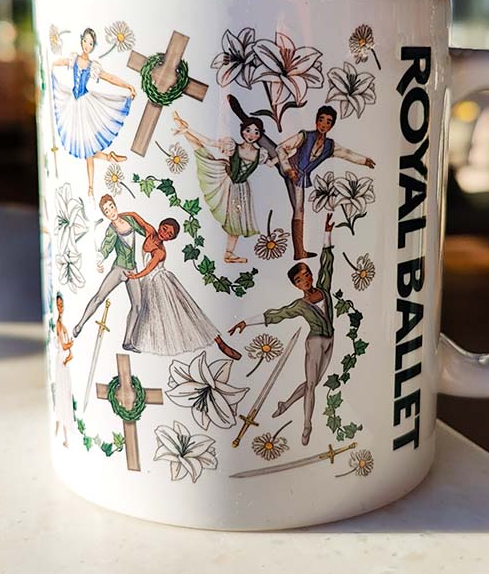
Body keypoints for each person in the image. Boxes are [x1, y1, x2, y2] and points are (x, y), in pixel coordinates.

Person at [229, 214, 336, 446]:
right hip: (315, 342)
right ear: (295, 285)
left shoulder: (324, 290)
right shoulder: (300, 305)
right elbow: (276, 315)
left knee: (313, 384)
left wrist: (327, 234)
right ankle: (307, 425)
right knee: (310, 385)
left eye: (307, 274)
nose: (305, 280)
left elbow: (328, 263)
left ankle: (286, 404)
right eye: (300, 279)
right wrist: (246, 322)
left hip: (331, 340)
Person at [123, 212, 242, 361]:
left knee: (183, 313)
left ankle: (219, 342)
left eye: (169, 234)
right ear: (160, 225)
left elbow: (150, 268)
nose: (164, 233)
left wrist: (136, 276)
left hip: (159, 281)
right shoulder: (151, 231)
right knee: (151, 314)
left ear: (171, 239)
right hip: (149, 280)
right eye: (164, 228)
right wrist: (122, 215)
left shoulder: (160, 251)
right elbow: (136, 217)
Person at [172, 109, 275, 263]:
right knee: (204, 154)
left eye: (256, 132)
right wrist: (189, 130)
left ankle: (228, 253)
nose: (251, 135)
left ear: (260, 134)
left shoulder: (260, 154)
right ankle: (185, 131)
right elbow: (210, 142)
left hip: (241, 190)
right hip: (227, 182)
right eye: (248, 130)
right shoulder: (233, 146)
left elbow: (271, 164)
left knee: (237, 222)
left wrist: (287, 154)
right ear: (242, 130)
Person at [275, 105, 375, 260]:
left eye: (328, 122)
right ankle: (299, 251)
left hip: (301, 177)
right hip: (290, 170)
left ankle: (299, 251)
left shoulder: (330, 146)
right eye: (321, 120)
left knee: (299, 209)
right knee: (298, 210)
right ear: (316, 121)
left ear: (332, 125)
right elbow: (281, 148)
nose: (323, 124)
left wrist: (364, 160)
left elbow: (346, 154)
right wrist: (288, 169)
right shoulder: (305, 136)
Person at [52, 27, 137, 196]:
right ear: (81, 41)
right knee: (83, 147)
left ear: (93, 46)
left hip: (85, 105)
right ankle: (107, 159)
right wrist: (51, 65)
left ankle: (91, 185)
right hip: (72, 104)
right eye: (85, 41)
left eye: (90, 43)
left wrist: (127, 85)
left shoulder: (92, 66)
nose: (87, 45)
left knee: (87, 149)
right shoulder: (74, 59)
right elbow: (59, 62)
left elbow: (109, 77)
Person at [73, 194, 144, 352]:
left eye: (111, 206)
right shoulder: (112, 230)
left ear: (115, 205)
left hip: (132, 269)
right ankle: (80, 324)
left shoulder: (129, 220)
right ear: (105, 215)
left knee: (137, 304)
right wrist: (99, 259)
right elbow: (107, 246)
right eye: (106, 211)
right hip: (119, 269)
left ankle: (127, 341)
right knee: (100, 296)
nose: (111, 211)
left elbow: (144, 230)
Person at [52, 293, 74, 448]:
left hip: (65, 361)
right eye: (58, 305)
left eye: (62, 305)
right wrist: (70, 347)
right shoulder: (58, 325)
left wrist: (70, 352)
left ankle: (62, 434)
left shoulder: (63, 324)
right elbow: (64, 345)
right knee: (62, 395)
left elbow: (67, 346)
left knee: (65, 394)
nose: (61, 307)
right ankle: (60, 433)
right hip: (61, 362)